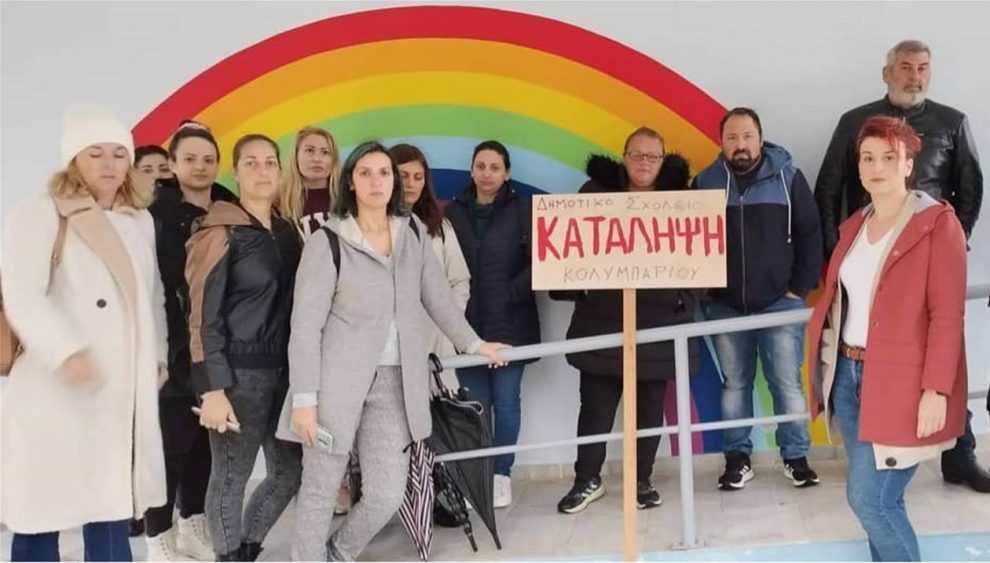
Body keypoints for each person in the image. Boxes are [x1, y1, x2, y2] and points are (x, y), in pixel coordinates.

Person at [281, 141, 507, 561]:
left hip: (396, 381)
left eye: (384, 172)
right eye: (365, 173)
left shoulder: (413, 232)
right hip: (335, 383)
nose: (376, 181)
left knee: (387, 492)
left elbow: (438, 298)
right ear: (350, 181)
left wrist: (474, 343)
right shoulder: (328, 241)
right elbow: (306, 327)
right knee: (320, 489)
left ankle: (338, 552)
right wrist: (304, 400)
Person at [815, 39, 987, 492]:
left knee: (941, 355)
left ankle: (959, 455)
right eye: (906, 67)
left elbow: (971, 188)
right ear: (886, 73)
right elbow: (828, 188)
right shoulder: (855, 123)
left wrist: (951, 243)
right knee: (872, 367)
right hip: (868, 264)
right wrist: (836, 260)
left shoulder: (952, 122)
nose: (915, 76)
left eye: (923, 68)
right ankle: (873, 470)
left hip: (927, 266)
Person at [1, 102, 167, 561]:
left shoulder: (138, 220)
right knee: (42, 510)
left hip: (119, 388)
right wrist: (68, 352)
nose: (109, 164)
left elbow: (151, 295)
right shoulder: (39, 213)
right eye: (95, 153)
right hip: (55, 387)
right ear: (73, 159)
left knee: (111, 507)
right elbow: (22, 296)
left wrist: (157, 357)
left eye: (118, 153)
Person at [808, 116, 968, 561]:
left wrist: (935, 389)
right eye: (867, 158)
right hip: (848, 375)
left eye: (888, 157)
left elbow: (946, 315)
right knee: (881, 501)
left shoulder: (937, 224)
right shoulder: (854, 226)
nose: (876, 167)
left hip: (901, 381)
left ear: (908, 164)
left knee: (870, 500)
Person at [553, 128, 701, 514]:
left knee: (649, 411)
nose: (644, 163)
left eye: (653, 156)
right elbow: (569, 252)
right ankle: (586, 480)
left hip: (659, 324)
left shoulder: (683, 200)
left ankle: (641, 480)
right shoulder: (593, 194)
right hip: (601, 322)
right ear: (624, 156)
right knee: (595, 410)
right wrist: (581, 290)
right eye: (637, 155)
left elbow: (703, 256)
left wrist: (685, 298)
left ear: (663, 160)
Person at [185, 134, 303, 561]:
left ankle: (247, 546)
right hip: (238, 374)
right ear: (235, 171)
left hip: (286, 372)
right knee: (232, 474)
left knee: (289, 472)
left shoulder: (288, 232)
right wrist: (212, 388)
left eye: (270, 162)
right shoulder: (219, 231)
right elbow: (202, 315)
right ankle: (228, 554)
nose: (262, 170)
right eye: (251, 162)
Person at [693, 107, 823, 491]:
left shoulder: (789, 177)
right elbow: (691, 239)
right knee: (735, 385)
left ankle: (796, 458)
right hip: (724, 306)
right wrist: (705, 289)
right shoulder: (704, 182)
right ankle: (737, 459)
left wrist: (799, 288)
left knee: (787, 384)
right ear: (721, 142)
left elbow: (811, 233)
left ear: (761, 138)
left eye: (747, 136)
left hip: (781, 303)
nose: (741, 145)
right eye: (732, 137)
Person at [144, 125, 236, 561]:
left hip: (214, 344)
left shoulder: (228, 207)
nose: (200, 167)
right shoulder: (152, 213)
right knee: (170, 446)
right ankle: (157, 535)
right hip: (171, 344)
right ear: (173, 164)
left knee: (205, 442)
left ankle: (192, 522)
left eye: (208, 159)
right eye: (190, 159)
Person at [445, 140, 541, 508]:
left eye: (495, 167)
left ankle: (501, 474)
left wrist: (509, 292)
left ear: (507, 173)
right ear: (472, 170)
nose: (487, 173)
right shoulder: (453, 212)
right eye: (481, 166)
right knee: (475, 404)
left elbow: (540, 262)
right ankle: (479, 476)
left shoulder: (523, 210)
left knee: (506, 401)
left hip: (511, 324)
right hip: (467, 327)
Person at [389, 142, 471, 387]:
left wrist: (447, 322)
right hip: (389, 342)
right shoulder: (370, 226)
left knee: (439, 404)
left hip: (436, 341)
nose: (411, 183)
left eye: (418, 177)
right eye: (403, 176)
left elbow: (459, 280)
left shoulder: (440, 226)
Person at [280, 125, 340, 239]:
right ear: (296, 156)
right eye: (309, 151)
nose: (317, 159)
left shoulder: (347, 197)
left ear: (334, 159)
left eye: (325, 152)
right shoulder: (280, 200)